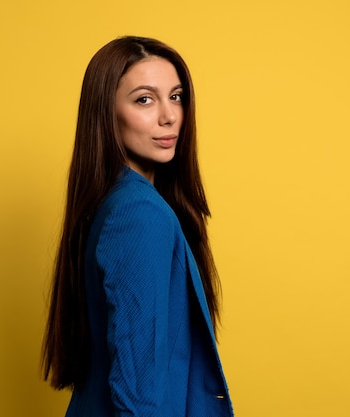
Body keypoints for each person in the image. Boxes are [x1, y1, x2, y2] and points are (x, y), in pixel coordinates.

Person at [42, 36, 234, 417]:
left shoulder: (114, 201)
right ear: (106, 112)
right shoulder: (138, 214)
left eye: (176, 96)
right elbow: (136, 389)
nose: (169, 116)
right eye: (144, 99)